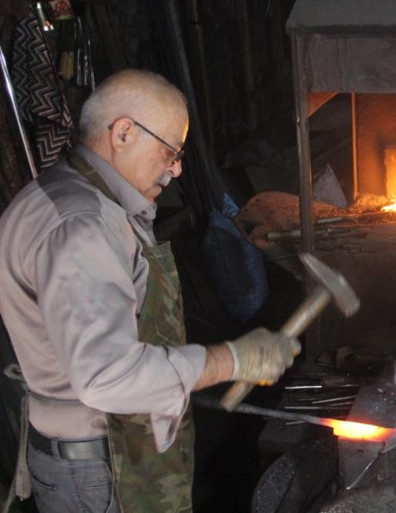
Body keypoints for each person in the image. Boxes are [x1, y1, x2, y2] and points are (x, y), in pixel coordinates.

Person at [0, 69, 300, 513]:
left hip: (101, 456)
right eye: (170, 151)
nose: (176, 168)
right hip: (104, 472)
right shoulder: (83, 227)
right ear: (123, 133)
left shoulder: (60, 194)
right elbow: (108, 376)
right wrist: (231, 360)